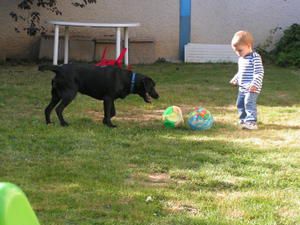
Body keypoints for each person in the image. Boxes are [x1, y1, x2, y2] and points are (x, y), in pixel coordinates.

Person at [229, 31, 264, 130]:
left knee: (249, 103)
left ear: (248, 46)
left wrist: (254, 84)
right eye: (235, 51)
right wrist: (235, 79)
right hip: (242, 87)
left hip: (252, 87)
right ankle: (243, 120)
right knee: (240, 104)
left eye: (240, 50)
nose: (238, 53)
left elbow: (259, 72)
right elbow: (241, 72)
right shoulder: (241, 59)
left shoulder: (255, 57)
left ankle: (251, 122)